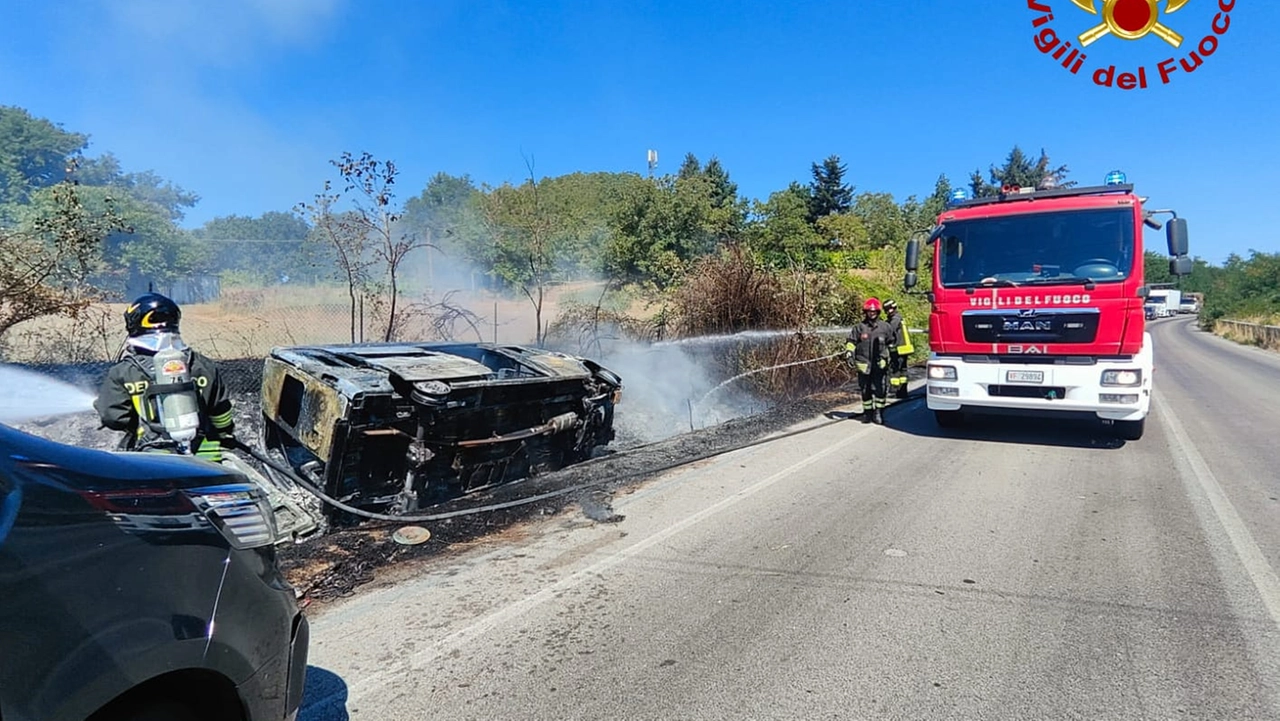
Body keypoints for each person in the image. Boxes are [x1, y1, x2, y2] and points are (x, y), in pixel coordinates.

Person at [94, 293, 235, 461]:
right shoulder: (203, 365)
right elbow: (221, 411)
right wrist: (224, 434)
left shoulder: (124, 371)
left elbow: (114, 418)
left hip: (156, 461)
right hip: (207, 458)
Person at [845, 297, 893, 425]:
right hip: (863, 365)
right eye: (869, 311)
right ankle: (867, 413)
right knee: (865, 390)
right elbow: (851, 342)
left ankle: (878, 413)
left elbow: (891, 344)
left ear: (878, 312)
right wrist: (849, 352)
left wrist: (888, 359)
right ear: (865, 312)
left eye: (874, 311)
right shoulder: (859, 328)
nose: (871, 313)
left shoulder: (885, 327)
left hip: (880, 365)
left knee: (880, 390)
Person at [882, 299, 913, 399]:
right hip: (904, 348)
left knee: (895, 370)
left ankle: (894, 390)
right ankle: (902, 392)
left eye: (887, 310)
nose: (887, 312)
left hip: (899, 349)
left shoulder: (895, 319)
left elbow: (890, 330)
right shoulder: (898, 317)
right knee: (903, 370)